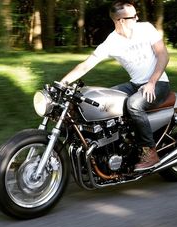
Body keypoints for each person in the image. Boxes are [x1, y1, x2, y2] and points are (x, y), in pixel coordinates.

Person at [60, 0, 170, 171]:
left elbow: (163, 55)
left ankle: (150, 152)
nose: (137, 18)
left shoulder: (146, 29)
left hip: (158, 83)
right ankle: (113, 146)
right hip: (135, 84)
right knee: (103, 100)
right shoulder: (112, 41)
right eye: (134, 16)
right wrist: (62, 83)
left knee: (134, 105)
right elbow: (86, 64)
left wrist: (152, 82)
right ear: (121, 21)